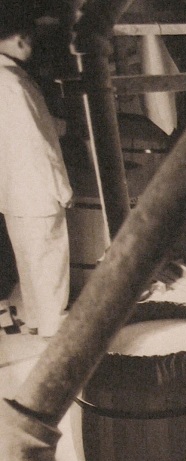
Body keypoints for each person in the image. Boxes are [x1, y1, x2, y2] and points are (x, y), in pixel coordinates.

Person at [0, 3, 72, 338]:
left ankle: (33, 320)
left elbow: (19, 130)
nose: (32, 43)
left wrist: (56, 124)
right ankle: (53, 335)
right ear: (16, 40)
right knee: (50, 265)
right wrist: (63, 189)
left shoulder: (5, 80)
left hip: (12, 193)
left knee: (28, 262)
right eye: (28, 37)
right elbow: (38, 143)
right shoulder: (16, 84)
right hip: (38, 191)